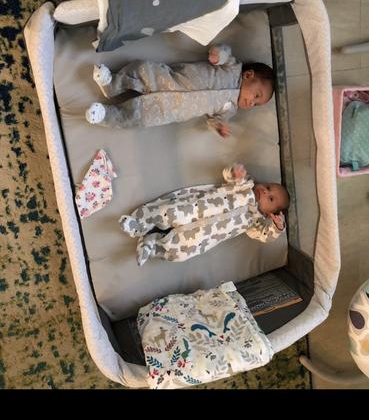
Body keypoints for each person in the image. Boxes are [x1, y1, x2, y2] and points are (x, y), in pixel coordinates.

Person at [85, 44, 275, 137]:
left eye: (256, 104)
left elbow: (214, 121)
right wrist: (219, 54)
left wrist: (219, 127)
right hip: (168, 79)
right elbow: (226, 53)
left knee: (138, 117)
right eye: (256, 95)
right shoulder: (233, 68)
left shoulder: (230, 109)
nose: (252, 103)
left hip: (170, 109)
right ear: (248, 75)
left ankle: (106, 115)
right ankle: (112, 84)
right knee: (142, 68)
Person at [119, 162, 289, 265]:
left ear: (269, 214)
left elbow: (265, 236)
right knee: (168, 212)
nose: (265, 192)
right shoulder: (245, 186)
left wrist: (277, 227)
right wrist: (235, 173)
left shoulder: (255, 223)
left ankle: (151, 245)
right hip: (194, 209)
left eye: (270, 199)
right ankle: (139, 223)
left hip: (202, 237)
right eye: (268, 187)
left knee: (180, 252)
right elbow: (229, 176)